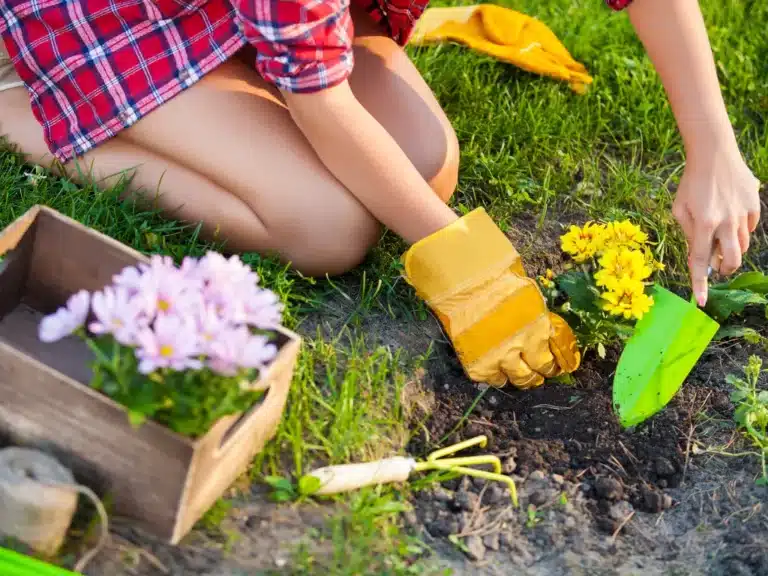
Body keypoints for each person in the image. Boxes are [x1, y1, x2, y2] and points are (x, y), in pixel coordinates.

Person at [0, 0, 760, 389]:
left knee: (424, 164)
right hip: (122, 17)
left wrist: (714, 151)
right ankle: (28, 116)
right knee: (325, 226)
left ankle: (240, 71)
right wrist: (474, 276)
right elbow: (321, 102)